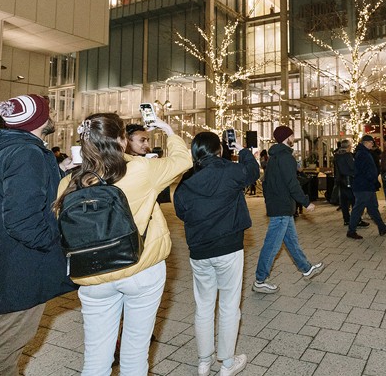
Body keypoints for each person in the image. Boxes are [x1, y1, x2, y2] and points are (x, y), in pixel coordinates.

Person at [55, 113, 191, 374]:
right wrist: (169, 131)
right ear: (121, 140)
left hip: (92, 276)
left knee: (95, 358)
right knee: (135, 354)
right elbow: (182, 160)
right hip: (140, 268)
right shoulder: (141, 170)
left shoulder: (68, 183)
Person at [0, 94, 76, 375]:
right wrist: (59, 244)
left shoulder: (14, 149)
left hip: (7, 262)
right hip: (19, 268)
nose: (52, 116)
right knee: (2, 346)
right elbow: (23, 221)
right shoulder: (27, 154)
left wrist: (59, 171)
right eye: (47, 112)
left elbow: (22, 195)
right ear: (38, 120)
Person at [174, 132, 260, 376]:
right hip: (229, 247)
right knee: (230, 305)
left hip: (199, 251)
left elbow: (181, 210)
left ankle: (204, 361)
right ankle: (227, 363)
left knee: (203, 306)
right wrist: (242, 149)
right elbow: (252, 171)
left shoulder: (187, 179)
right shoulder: (229, 171)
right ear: (219, 150)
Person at [253, 126, 324, 293]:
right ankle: (260, 280)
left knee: (291, 241)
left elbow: (266, 183)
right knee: (272, 245)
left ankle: (306, 269)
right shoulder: (286, 158)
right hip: (282, 207)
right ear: (287, 137)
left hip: (279, 206)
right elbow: (292, 183)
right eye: (292, 135)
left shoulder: (274, 158)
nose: (294, 137)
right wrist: (306, 203)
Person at [347, 135, 386, 240]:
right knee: (358, 209)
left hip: (367, 186)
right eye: (371, 143)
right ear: (366, 142)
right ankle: (351, 231)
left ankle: (382, 228)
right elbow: (365, 171)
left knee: (373, 208)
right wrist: (373, 179)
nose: (372, 145)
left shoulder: (364, 153)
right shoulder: (362, 154)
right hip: (363, 186)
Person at [334, 140, 367, 227]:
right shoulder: (347, 155)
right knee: (354, 201)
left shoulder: (337, 156)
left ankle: (346, 219)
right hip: (350, 180)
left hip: (341, 181)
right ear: (348, 146)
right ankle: (357, 220)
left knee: (344, 202)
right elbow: (353, 167)